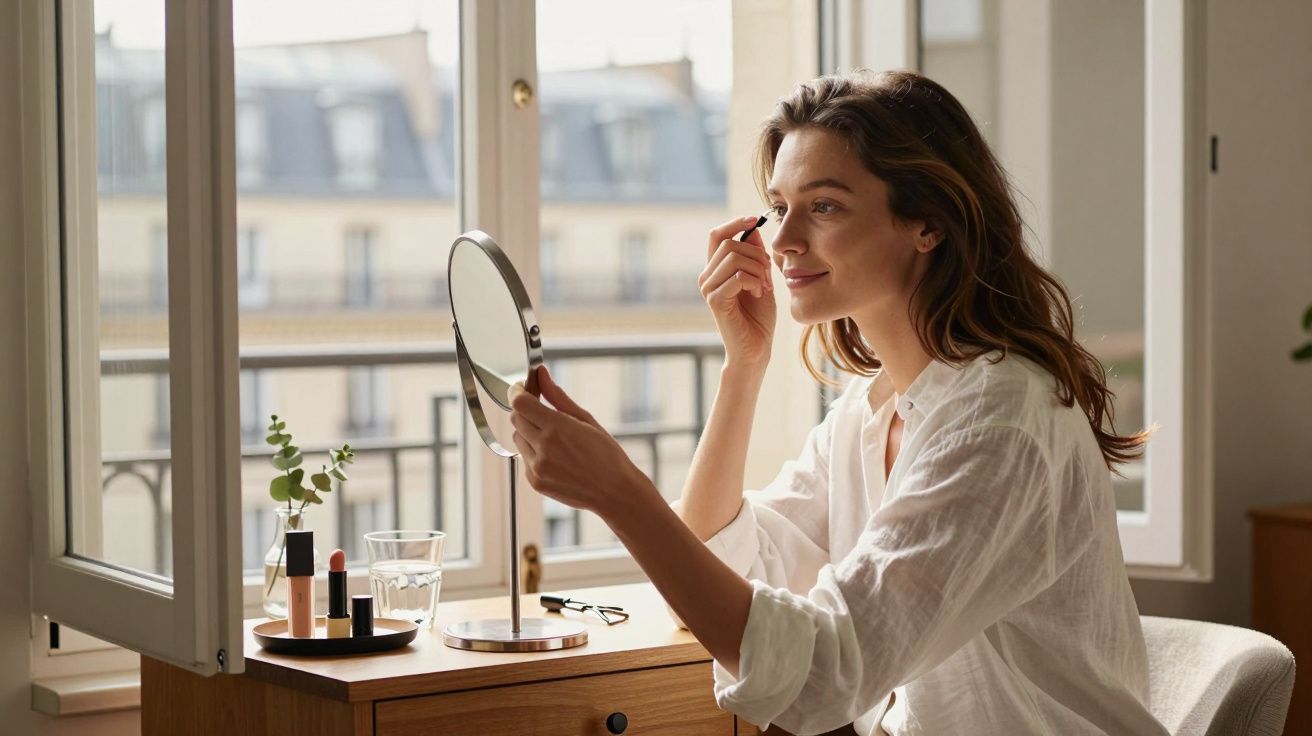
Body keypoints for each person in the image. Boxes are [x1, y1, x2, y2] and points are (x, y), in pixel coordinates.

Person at [507, 70, 1166, 736]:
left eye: (823, 206)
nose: (785, 240)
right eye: (779, 206)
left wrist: (621, 494)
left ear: (928, 224)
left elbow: (820, 675)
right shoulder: (870, 411)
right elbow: (713, 565)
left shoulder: (998, 426)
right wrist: (744, 368)